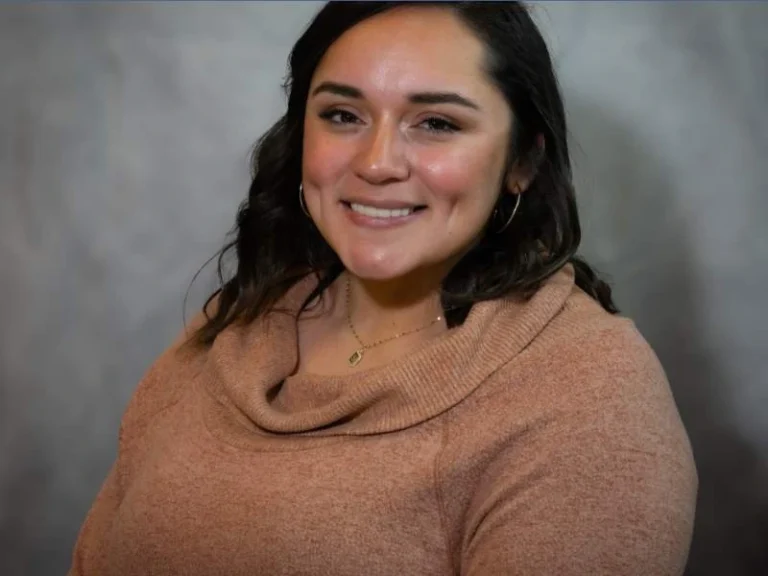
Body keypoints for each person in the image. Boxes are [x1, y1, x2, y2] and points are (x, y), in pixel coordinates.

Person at [68, 2, 697, 575]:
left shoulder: (586, 393)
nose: (375, 162)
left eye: (436, 124)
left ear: (522, 163)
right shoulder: (237, 322)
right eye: (342, 115)